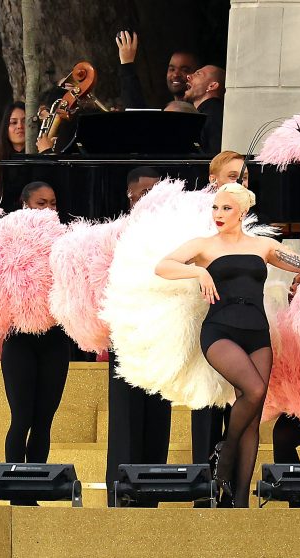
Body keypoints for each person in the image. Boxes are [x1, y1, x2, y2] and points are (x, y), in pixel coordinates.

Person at [155, 183, 300, 508]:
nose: (218, 214)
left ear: (242, 211)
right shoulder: (204, 245)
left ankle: (239, 501)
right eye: (215, 208)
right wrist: (197, 270)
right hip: (220, 330)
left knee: (253, 415)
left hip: (257, 332)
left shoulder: (263, 246)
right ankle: (224, 457)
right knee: (254, 391)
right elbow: (163, 266)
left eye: (226, 208)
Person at [106, 167, 173, 506]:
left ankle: (153, 491)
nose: (152, 200)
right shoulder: (116, 234)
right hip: (129, 333)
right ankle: (121, 493)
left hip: (162, 334)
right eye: (146, 193)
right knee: (126, 418)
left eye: (157, 193)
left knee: (159, 415)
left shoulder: (176, 236)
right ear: (130, 197)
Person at [1, 180, 70, 481]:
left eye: (53, 203)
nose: (49, 209)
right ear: (24, 204)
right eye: (41, 203)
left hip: (54, 339)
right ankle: (16, 487)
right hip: (19, 339)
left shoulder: (65, 240)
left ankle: (36, 487)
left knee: (44, 420)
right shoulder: (7, 239)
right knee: (21, 418)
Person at [189, 151, 249, 474]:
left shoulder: (256, 229)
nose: (239, 183)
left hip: (249, 325)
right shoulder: (200, 223)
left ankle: (233, 481)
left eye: (244, 178)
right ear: (213, 181)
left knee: (244, 401)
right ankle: (205, 483)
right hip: (211, 323)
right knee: (208, 404)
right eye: (232, 177)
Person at [115, 31, 200, 108]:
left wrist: (127, 64)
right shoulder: (165, 107)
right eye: (172, 69)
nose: (176, 74)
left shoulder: (199, 113)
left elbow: (137, 117)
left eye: (185, 70)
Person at [0, 101, 28, 208]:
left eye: (25, 121)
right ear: (6, 128)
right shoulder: (0, 161)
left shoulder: (41, 155)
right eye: (13, 122)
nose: (20, 126)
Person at [184, 65, 225, 155]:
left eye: (198, 74)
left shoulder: (212, 115)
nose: (188, 76)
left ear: (212, 86)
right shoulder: (206, 113)